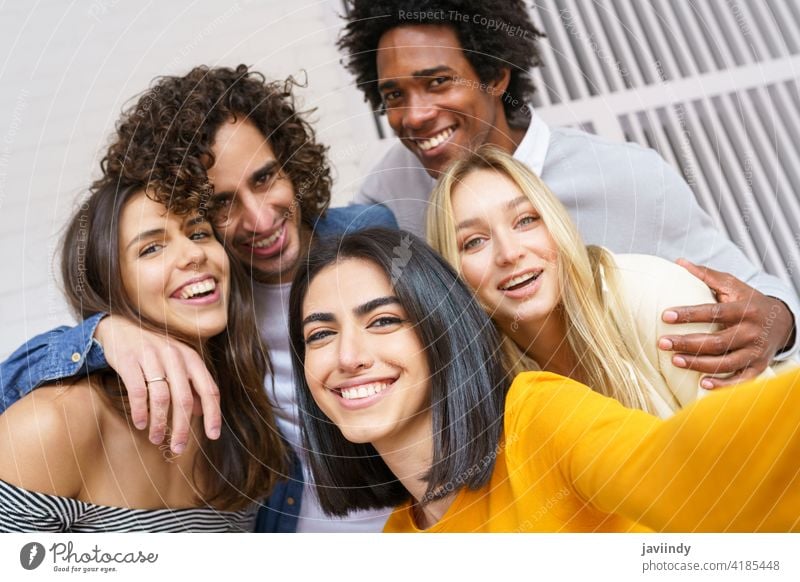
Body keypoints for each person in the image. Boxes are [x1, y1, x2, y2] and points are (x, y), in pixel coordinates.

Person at [0, 65, 397, 532]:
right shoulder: (212, 305)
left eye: (266, 178)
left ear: (293, 164)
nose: (259, 218)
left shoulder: (373, 238)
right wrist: (101, 332)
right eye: (223, 205)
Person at [338, 0, 799, 388]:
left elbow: (753, 291)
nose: (414, 116)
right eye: (394, 95)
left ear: (496, 76)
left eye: (438, 82)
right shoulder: (389, 195)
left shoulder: (625, 178)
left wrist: (780, 323)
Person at [289, 228, 800, 532]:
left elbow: (685, 470)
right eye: (319, 335)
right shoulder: (399, 542)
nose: (348, 356)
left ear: (439, 333)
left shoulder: (538, 419)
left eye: (383, 321)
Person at [0, 182, 287, 532]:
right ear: (106, 284)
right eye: (151, 248)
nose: (194, 254)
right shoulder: (49, 426)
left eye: (198, 233)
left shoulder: (244, 422)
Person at [428, 146, 795, 417]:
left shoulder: (658, 296)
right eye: (473, 241)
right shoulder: (486, 386)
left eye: (526, 220)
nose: (508, 253)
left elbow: (755, 463)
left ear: (557, 224)